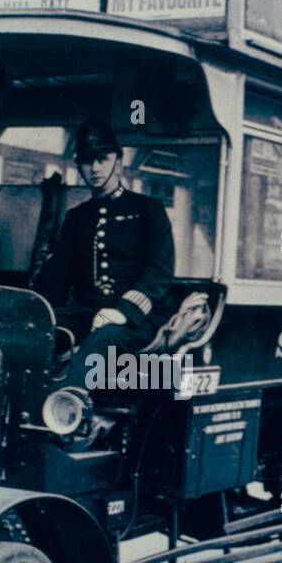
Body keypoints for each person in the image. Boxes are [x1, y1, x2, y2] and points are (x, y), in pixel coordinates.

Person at [32, 117, 175, 393]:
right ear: (79, 166)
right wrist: (37, 310)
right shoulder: (77, 217)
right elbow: (58, 275)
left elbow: (159, 272)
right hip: (87, 312)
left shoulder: (149, 210)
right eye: (87, 161)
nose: (95, 168)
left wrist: (123, 312)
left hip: (136, 321)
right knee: (39, 334)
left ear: (118, 162)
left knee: (104, 338)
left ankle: (63, 412)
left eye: (102, 159)